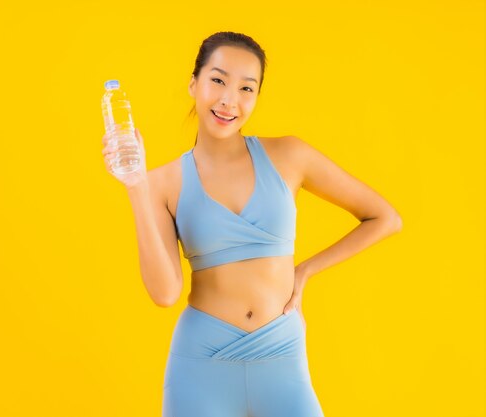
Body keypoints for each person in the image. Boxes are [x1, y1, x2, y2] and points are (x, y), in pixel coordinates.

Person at [101, 31, 402, 417]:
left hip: (280, 353)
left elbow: (384, 218)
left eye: (247, 88)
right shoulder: (162, 183)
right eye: (218, 80)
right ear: (194, 83)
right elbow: (164, 293)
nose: (230, 100)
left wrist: (305, 270)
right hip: (201, 362)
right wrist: (136, 187)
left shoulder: (290, 155)